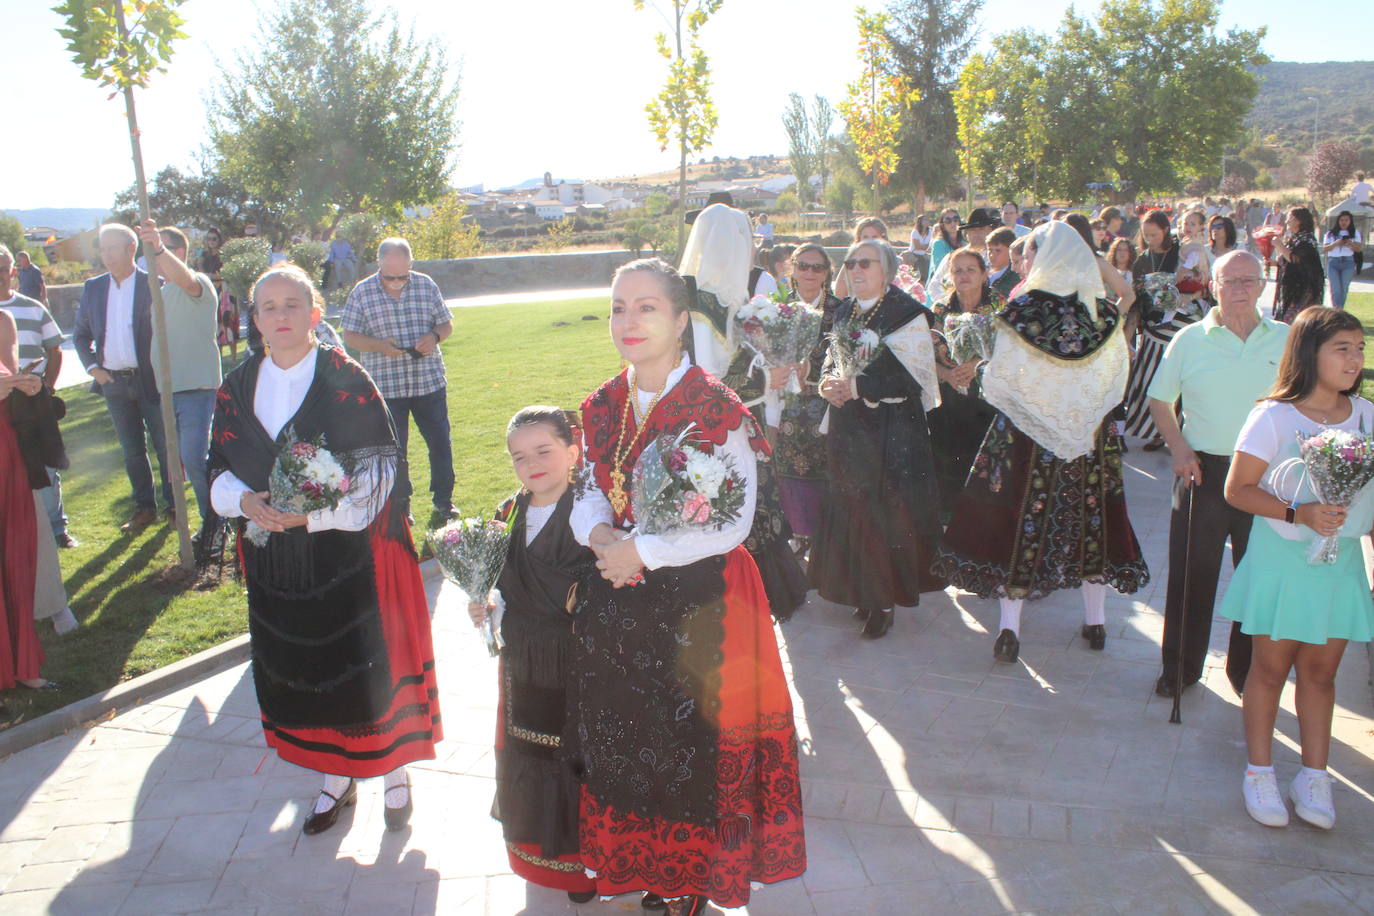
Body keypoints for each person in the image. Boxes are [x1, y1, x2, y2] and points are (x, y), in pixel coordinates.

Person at [571, 258, 806, 914]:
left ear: (679, 321)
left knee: (691, 747)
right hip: (622, 598)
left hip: (702, 605)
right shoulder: (602, 404)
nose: (629, 321)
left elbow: (732, 519)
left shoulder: (713, 405)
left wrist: (638, 548)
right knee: (630, 736)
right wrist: (597, 536)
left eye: (647, 307)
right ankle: (646, 864)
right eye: (619, 307)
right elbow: (588, 486)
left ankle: (692, 880)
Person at [209, 264, 440, 835]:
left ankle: (393, 774)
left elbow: (381, 474)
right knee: (307, 670)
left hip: (350, 554)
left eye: (293, 305)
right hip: (275, 562)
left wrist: (311, 516)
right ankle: (336, 776)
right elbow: (215, 466)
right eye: (269, 307)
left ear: (315, 313)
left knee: (365, 667)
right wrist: (245, 503)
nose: (281, 316)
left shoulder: (346, 377)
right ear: (253, 319)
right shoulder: (235, 386)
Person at [934, 222, 1149, 663]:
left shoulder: (1020, 310)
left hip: (1027, 438)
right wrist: (1079, 414)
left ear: (1046, 258)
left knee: (1018, 526)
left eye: (1029, 254)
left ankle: (1010, 631)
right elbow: (1115, 376)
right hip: (1090, 438)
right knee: (1094, 522)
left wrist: (1040, 409)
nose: (1023, 263)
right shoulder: (1102, 313)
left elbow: (1002, 379)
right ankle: (1096, 622)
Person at [1219, 307, 1374, 831]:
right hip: (1281, 565)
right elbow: (1237, 489)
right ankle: (1259, 772)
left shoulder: (1368, 415)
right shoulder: (1275, 416)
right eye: (1342, 348)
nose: (1355, 359)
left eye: (1359, 348)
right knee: (1269, 668)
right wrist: (1299, 513)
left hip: (1338, 567)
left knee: (1321, 673)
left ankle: (1314, 775)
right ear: (1310, 353)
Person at [1147, 251, 1290, 700]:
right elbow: (1159, 401)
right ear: (1213, 286)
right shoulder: (1189, 340)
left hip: (1266, 479)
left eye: (1250, 280)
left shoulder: (1288, 339)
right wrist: (1180, 448)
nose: (1240, 289)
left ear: (1264, 285)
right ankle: (1180, 668)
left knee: (1258, 577)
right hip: (1202, 471)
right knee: (1192, 575)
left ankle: (1246, 673)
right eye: (1230, 281)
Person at [468, 407, 597, 903]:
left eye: (544, 451)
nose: (532, 465)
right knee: (530, 749)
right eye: (519, 457)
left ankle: (583, 865)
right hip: (522, 662)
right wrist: (487, 603)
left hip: (577, 662)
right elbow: (503, 586)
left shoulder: (594, 511)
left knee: (576, 755)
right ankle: (546, 861)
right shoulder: (508, 514)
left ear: (572, 451)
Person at [810, 238, 944, 639]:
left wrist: (861, 385)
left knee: (882, 513)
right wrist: (827, 386)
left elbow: (916, 376)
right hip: (849, 429)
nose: (855, 270)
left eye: (865, 263)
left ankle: (883, 600)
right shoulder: (844, 311)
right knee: (852, 507)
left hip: (891, 431)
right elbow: (829, 361)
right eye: (850, 263)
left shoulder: (906, 315)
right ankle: (861, 591)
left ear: (886, 270)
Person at [341, 237, 456, 520]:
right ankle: (401, 505)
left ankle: (444, 501)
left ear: (411, 263)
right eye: (391, 276)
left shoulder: (426, 285)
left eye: (402, 275)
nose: (397, 281)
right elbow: (350, 336)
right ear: (379, 264)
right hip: (387, 386)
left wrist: (434, 336)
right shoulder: (362, 292)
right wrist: (380, 346)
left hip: (428, 382)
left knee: (440, 443)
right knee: (395, 450)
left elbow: (446, 323)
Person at [72, 223, 173, 531]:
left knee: (165, 446)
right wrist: (94, 369)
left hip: (150, 380)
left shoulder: (155, 284)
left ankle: (173, 507)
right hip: (113, 384)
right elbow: (80, 336)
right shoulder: (94, 288)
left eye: (112, 248)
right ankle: (144, 508)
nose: (107, 255)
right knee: (131, 451)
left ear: (132, 249)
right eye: (102, 249)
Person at [134, 220, 223, 537]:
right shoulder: (159, 293)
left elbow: (184, 278)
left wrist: (157, 248)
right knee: (177, 466)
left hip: (196, 389)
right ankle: (204, 522)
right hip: (167, 393)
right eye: (152, 253)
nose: (156, 258)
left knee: (195, 459)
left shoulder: (197, 283)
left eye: (164, 250)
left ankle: (215, 526)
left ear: (181, 251)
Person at [0, 309, 59, 691]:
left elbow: (9, 380)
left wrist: (26, 387)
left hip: (7, 453)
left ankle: (23, 665)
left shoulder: (3, 321)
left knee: (17, 557)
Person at [0, 245, 72, 547]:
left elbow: (55, 349)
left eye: (3, 268)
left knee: (46, 466)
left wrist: (49, 387)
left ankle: (56, 530)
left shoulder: (31, 307)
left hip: (32, 402)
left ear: (14, 271)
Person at [774, 243, 840, 558]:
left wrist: (813, 371)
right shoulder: (776, 310)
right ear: (793, 269)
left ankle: (824, 539)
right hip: (785, 407)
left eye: (817, 267)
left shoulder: (842, 310)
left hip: (824, 407)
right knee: (787, 470)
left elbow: (847, 358)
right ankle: (797, 536)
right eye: (803, 266)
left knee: (825, 471)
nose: (809, 273)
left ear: (827, 272)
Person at [927, 247, 1001, 509]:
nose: (964, 275)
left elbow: (1011, 351)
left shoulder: (998, 307)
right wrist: (947, 373)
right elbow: (923, 354)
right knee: (948, 461)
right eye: (957, 270)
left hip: (988, 396)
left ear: (983, 274)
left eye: (971, 269)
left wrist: (976, 364)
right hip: (948, 396)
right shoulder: (939, 310)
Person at [1123, 210, 1201, 450]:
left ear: (1166, 230)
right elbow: (1135, 300)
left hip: (1183, 324)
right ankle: (1159, 432)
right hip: (1153, 328)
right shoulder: (1142, 261)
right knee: (1154, 382)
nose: (1150, 240)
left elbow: (1200, 280)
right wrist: (1127, 336)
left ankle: (1185, 433)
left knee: (1184, 382)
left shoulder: (1182, 252)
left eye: (1154, 234)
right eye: (1146, 235)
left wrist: (1190, 293)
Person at [678, 203, 769, 379]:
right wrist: (768, 378)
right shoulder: (700, 307)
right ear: (732, 246)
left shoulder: (731, 297)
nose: (755, 248)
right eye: (752, 241)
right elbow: (706, 381)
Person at [928, 208, 1000, 301]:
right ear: (967, 234)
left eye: (981, 229)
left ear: (990, 231)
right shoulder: (953, 257)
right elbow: (934, 285)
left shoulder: (996, 257)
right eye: (973, 229)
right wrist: (950, 304)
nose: (977, 233)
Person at [1273, 207, 1325, 324]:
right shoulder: (1295, 239)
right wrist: (1274, 262)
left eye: (1290, 218)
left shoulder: (1307, 239)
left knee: (1298, 322)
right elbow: (1287, 259)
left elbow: (1295, 259)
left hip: (1304, 289)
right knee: (1288, 322)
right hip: (1293, 288)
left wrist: (1279, 245)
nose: (1286, 222)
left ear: (1299, 221)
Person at [833, 217, 891, 299]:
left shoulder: (895, 262)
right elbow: (839, 294)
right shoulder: (851, 264)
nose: (870, 241)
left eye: (874, 237)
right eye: (866, 237)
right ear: (859, 239)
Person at [1322, 211, 1362, 310]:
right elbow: (1325, 248)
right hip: (1333, 262)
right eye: (1341, 220)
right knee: (1335, 289)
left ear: (1350, 221)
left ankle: (1340, 309)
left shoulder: (1355, 233)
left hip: (1348, 262)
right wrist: (1336, 243)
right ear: (1338, 221)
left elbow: (1358, 249)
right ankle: (1337, 310)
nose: (1344, 222)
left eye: (1346, 220)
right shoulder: (1330, 233)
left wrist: (1349, 243)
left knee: (1344, 288)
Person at [985, 227, 1021, 297]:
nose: (992, 255)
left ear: (1010, 251)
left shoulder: (1016, 276)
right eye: (990, 250)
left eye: (998, 250)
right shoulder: (981, 271)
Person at [930, 208, 963, 278]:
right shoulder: (938, 244)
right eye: (948, 220)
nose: (953, 223)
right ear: (943, 225)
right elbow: (941, 271)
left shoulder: (965, 243)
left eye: (956, 219)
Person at [908, 214, 933, 282]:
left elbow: (931, 244)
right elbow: (917, 247)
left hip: (926, 254)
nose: (927, 221)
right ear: (919, 221)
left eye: (927, 219)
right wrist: (926, 247)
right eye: (924, 219)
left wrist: (925, 247)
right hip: (915, 254)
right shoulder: (915, 232)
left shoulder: (931, 231)